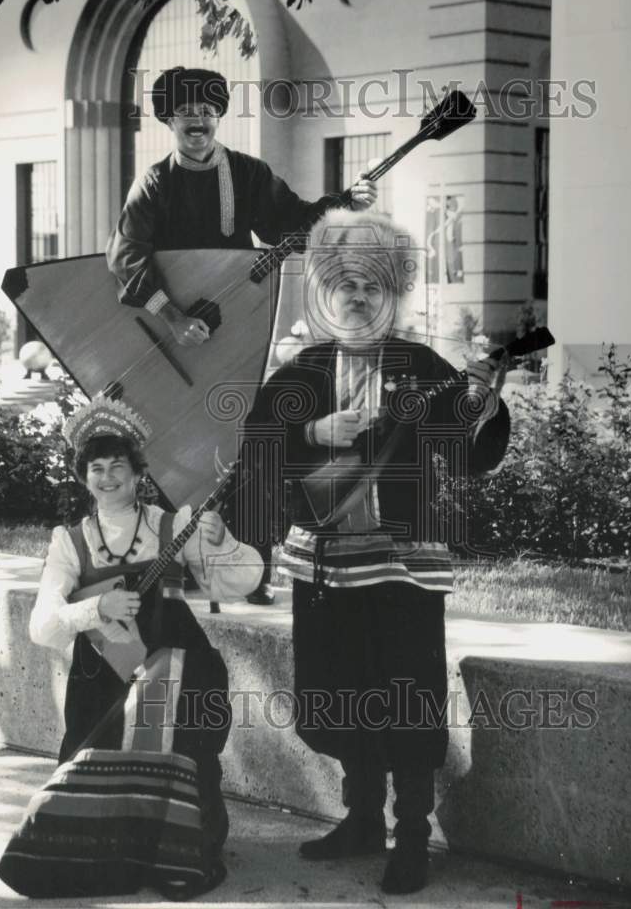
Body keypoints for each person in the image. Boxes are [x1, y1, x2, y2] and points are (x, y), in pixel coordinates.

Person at [238, 208, 510, 895]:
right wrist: (318, 433)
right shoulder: (302, 370)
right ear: (326, 292)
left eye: (372, 285)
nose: (358, 297)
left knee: (404, 694)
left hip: (403, 562)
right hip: (323, 563)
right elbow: (258, 451)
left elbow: (467, 452)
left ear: (392, 293)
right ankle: (360, 817)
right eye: (346, 284)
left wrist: (480, 405)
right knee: (334, 693)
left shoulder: (424, 367)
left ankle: (411, 835)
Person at [107, 66, 377, 605]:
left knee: (248, 443)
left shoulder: (247, 175)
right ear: (170, 119)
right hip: (168, 340)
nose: (198, 118)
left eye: (208, 108)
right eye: (186, 110)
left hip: (234, 335)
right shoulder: (155, 183)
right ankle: (168, 572)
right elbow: (126, 255)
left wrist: (344, 203)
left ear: (218, 115)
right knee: (169, 457)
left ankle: (250, 574)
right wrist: (173, 315)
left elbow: (292, 224)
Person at [29, 394, 262, 897]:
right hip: (104, 675)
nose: (108, 477)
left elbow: (239, 583)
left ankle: (180, 848)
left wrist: (220, 543)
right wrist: (96, 609)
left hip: (178, 665)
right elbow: (43, 626)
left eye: (118, 466)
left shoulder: (171, 524)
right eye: (96, 467)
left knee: (187, 754)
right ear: (83, 476)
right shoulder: (69, 541)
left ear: (138, 473)